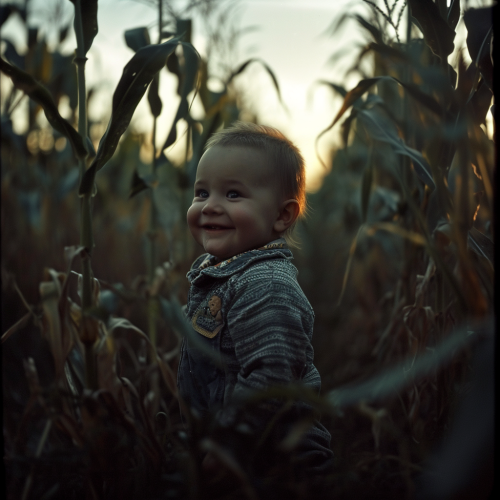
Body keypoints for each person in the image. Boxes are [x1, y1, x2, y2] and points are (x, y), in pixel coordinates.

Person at [177, 121, 333, 494]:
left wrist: (229, 443)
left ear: (282, 216)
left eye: (233, 194)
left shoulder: (266, 286)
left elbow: (272, 377)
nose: (210, 206)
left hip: (275, 466)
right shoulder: (223, 274)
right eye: (201, 193)